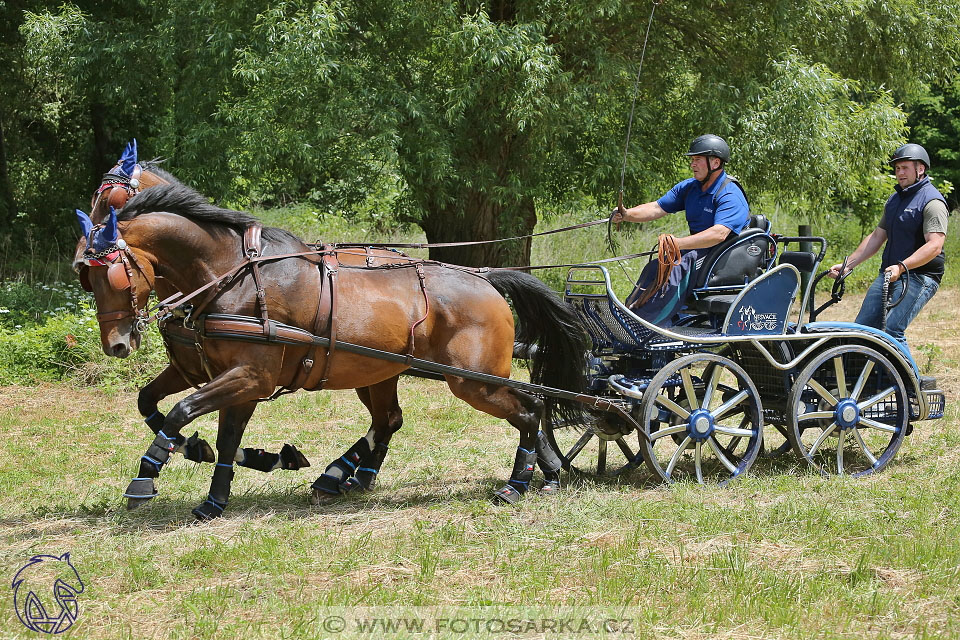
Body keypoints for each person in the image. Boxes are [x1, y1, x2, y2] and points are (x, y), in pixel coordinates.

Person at [828, 143, 948, 368]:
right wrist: (847, 265)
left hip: (921, 276)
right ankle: (858, 388)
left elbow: (934, 246)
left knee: (891, 331)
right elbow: (876, 237)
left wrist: (902, 267)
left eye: (904, 168)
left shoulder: (932, 202)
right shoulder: (895, 200)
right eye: (897, 168)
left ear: (920, 169)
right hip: (891, 273)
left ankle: (913, 392)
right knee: (862, 329)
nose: (899, 173)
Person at [611, 134, 750, 326]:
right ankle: (630, 314)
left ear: (715, 162)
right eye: (692, 160)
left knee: (677, 268)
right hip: (697, 248)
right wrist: (627, 214)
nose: (693, 164)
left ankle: (651, 326)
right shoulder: (690, 187)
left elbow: (719, 234)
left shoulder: (730, 193)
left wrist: (677, 243)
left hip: (718, 253)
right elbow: (657, 208)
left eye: (698, 160)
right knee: (655, 267)